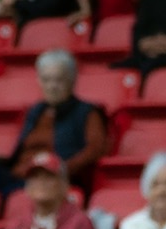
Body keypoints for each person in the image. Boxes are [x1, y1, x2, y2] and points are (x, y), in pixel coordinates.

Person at [12, 49, 109, 189]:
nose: (52, 86)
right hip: (19, 176)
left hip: (50, 180)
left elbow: (95, 149)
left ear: (72, 80)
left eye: (59, 80)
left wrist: (60, 170)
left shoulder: (87, 112)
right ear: (38, 81)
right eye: (46, 80)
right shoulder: (35, 111)